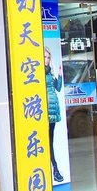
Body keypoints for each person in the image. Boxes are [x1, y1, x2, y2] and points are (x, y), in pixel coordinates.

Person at [44, 47, 64, 182]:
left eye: (48, 57)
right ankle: (54, 169)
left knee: (50, 141)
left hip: (53, 109)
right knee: (46, 142)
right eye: (44, 57)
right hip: (44, 110)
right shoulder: (38, 72)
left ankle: (54, 169)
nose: (46, 60)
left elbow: (58, 88)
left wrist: (60, 74)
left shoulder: (50, 71)